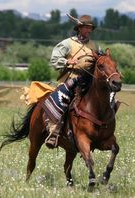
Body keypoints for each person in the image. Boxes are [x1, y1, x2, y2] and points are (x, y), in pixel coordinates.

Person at [44, 14, 98, 149]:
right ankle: (54, 132)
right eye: (86, 28)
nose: (89, 30)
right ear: (79, 28)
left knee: (105, 100)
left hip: (88, 82)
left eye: (90, 28)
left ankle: (102, 132)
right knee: (62, 102)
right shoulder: (68, 43)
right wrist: (67, 61)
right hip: (70, 80)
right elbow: (54, 59)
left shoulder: (94, 45)